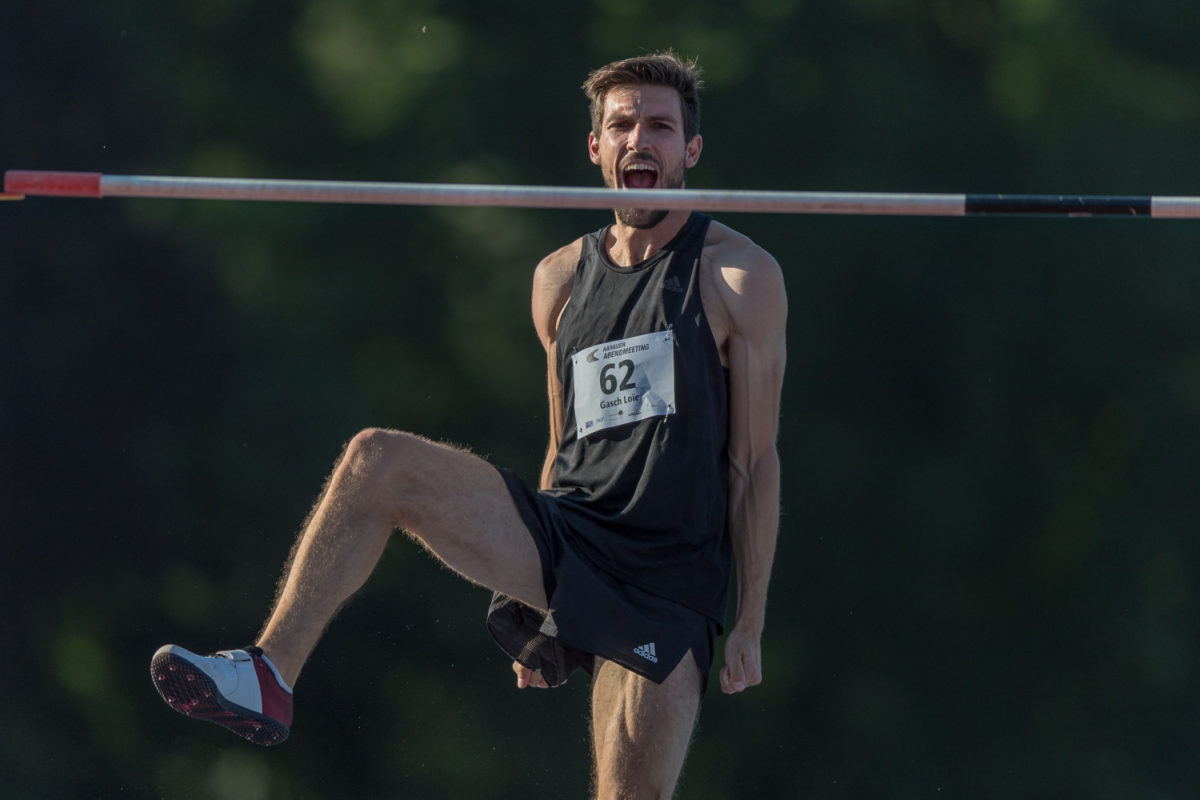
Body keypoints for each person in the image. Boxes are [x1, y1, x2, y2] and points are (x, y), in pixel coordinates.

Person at [150, 51, 787, 799]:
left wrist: (749, 621)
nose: (638, 140)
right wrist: (531, 604)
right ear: (596, 147)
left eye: (658, 126)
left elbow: (753, 464)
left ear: (691, 151)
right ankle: (268, 674)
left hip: (668, 579)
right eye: (621, 125)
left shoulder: (738, 277)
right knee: (375, 461)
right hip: (571, 540)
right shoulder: (558, 280)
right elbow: (564, 445)